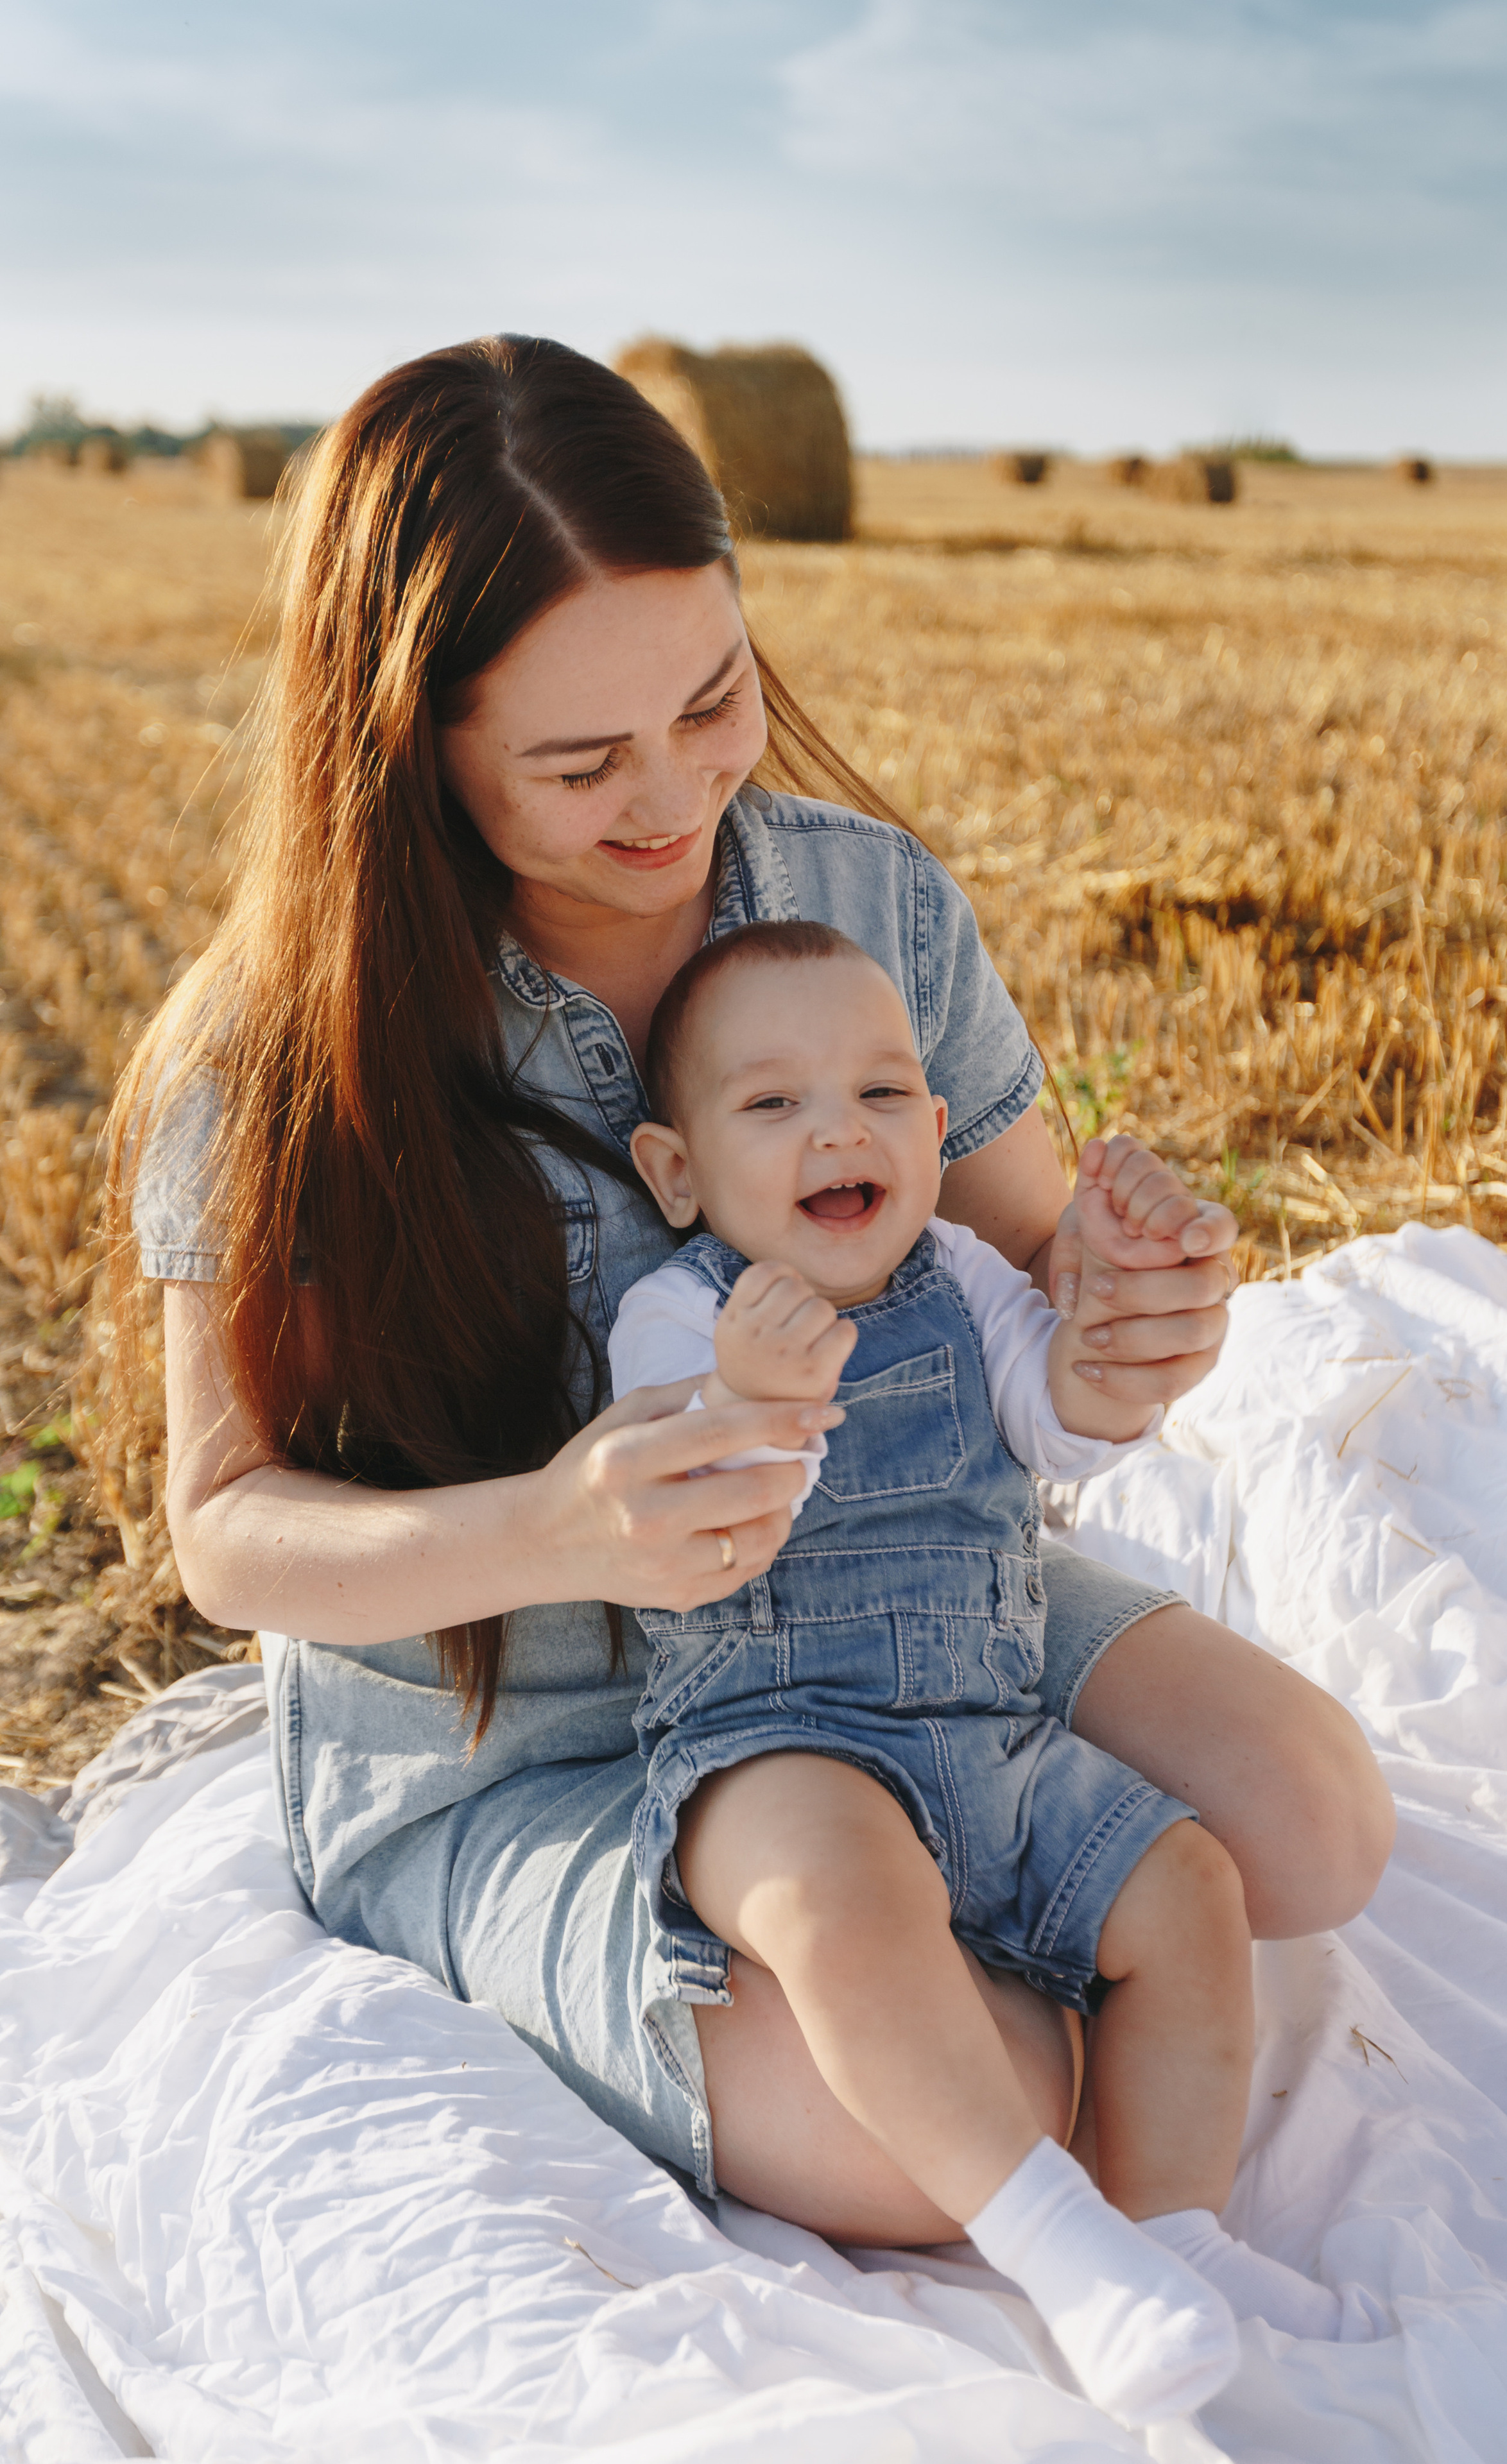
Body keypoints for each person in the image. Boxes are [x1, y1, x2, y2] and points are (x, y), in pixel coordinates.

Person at [112, 334, 1393, 2259]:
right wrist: (555, 1529)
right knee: (971, 2129)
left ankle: (917, 1889)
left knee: (1314, 1824)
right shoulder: (269, 1055)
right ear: (406, 744)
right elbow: (226, 1535)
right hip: (524, 1730)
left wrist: (1135, 1302)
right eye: (580, 759)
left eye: (714, 700)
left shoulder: (867, 901)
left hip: (907, 1585)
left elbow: (1036, 1255)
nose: (678, 792)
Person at [605, 920, 1342, 2422]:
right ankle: (1054, 2246)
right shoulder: (682, 1315)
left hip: (989, 1721)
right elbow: (685, 1518)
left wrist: (1115, 1307)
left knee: (1184, 1885)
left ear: (936, 1137)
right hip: (778, 1736)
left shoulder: (956, 1276)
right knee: (833, 1894)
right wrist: (750, 1400)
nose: (836, 1130)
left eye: (880, 1095)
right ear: (677, 1173)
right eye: (771, 1106)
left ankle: (1166, 2234)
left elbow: (1060, 1416)